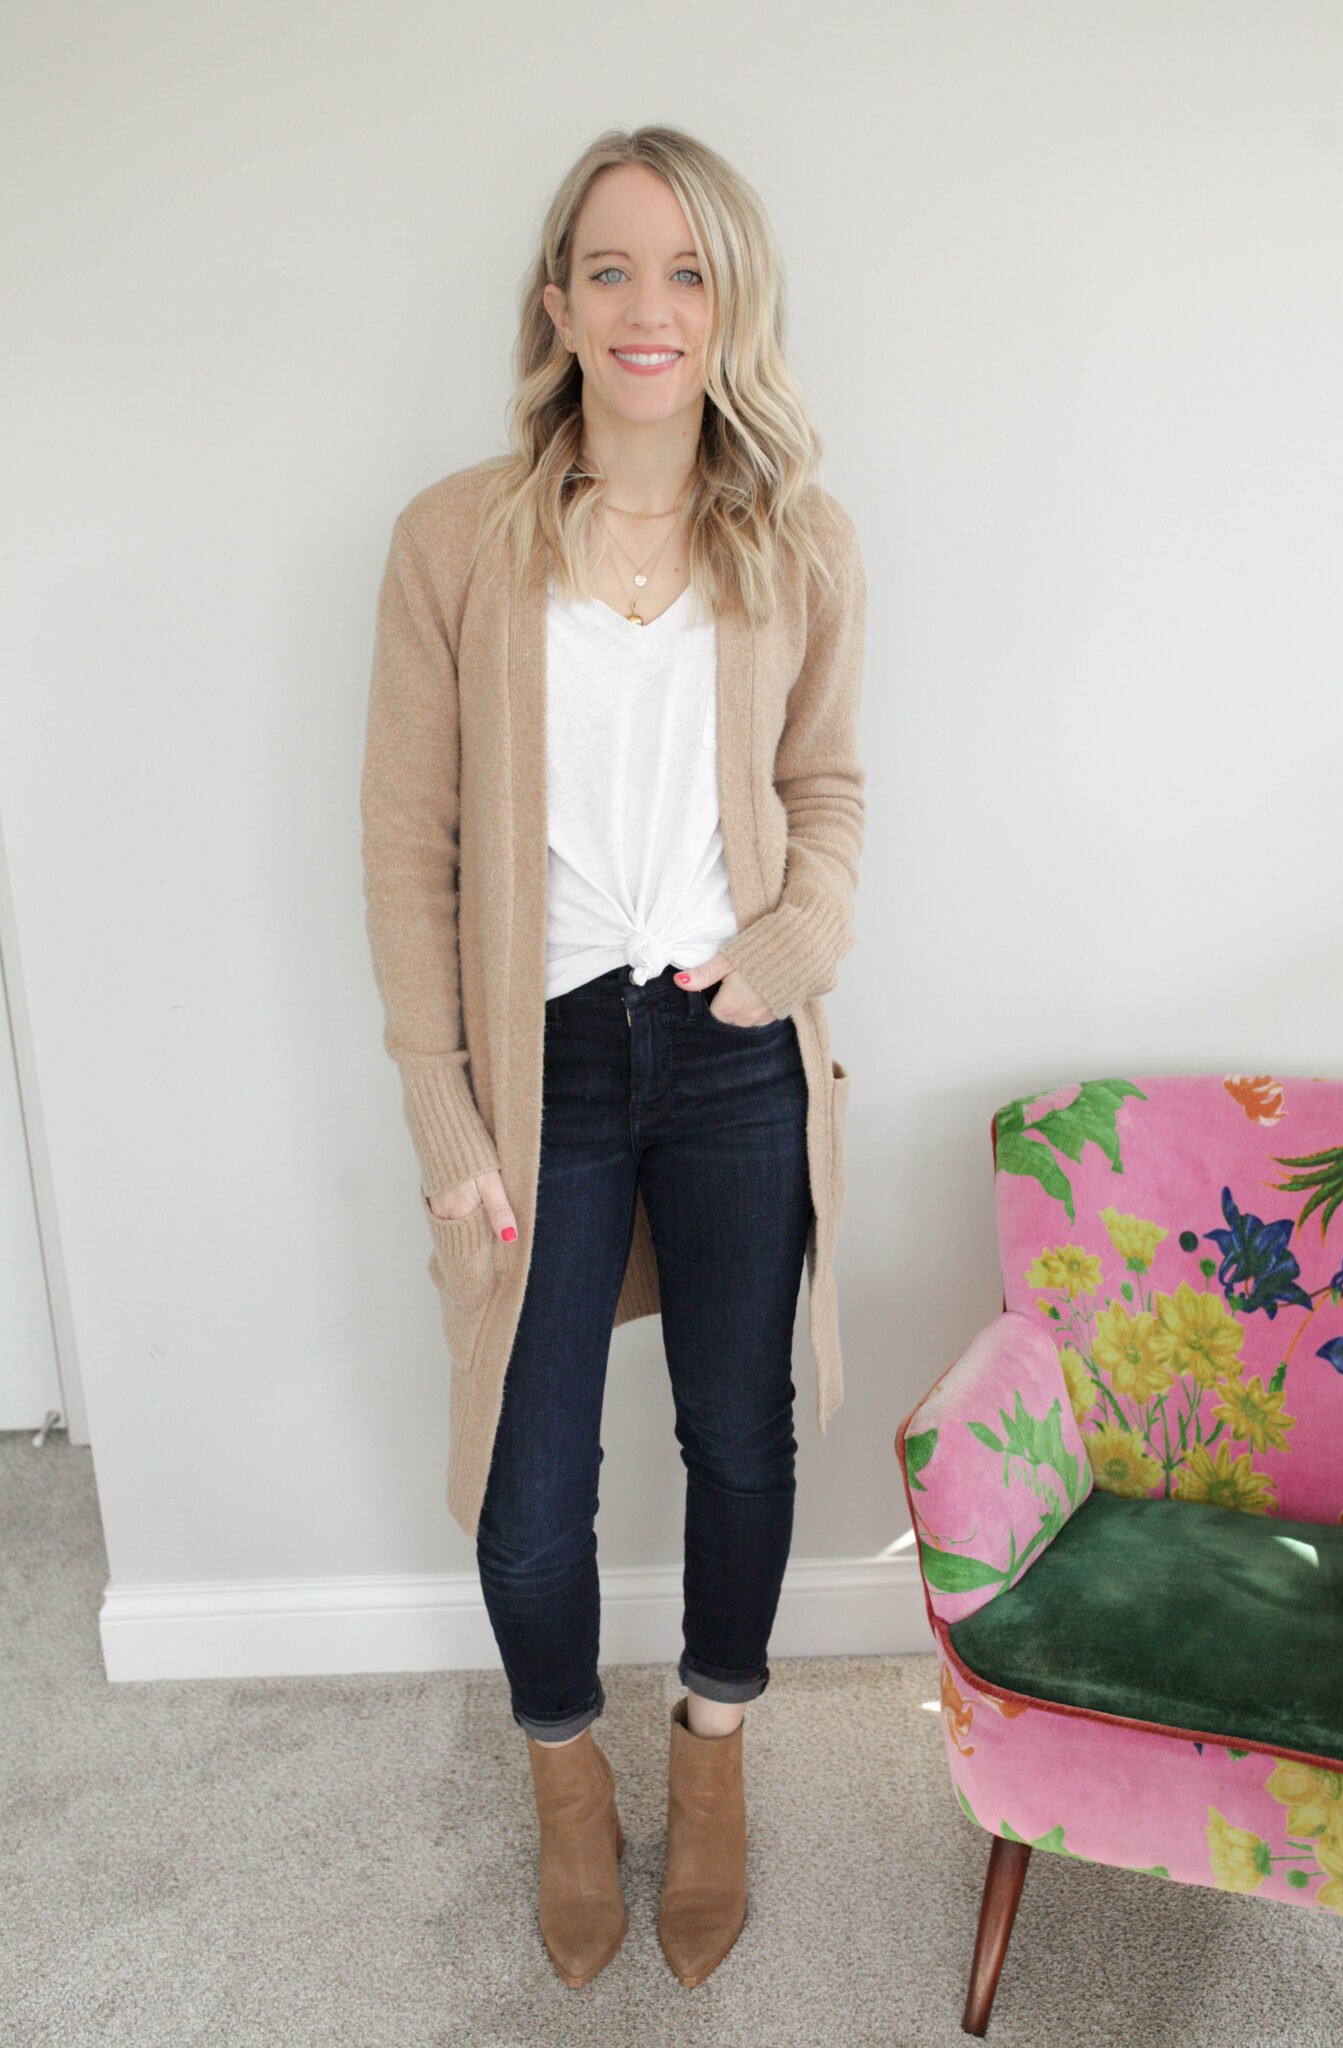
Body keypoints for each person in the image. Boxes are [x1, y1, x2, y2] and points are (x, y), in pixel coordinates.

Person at [360, 123, 867, 1992]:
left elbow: (825, 791)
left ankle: (710, 1757)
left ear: (730, 304)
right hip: (543, 1059)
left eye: (685, 271)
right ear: (555, 304)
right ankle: (566, 1775)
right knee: (523, 1471)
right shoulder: (453, 538)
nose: (645, 309)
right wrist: (442, 1107)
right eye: (608, 269)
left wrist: (793, 944)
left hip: (736, 1048)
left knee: (742, 1436)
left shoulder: (797, 537)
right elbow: (406, 849)